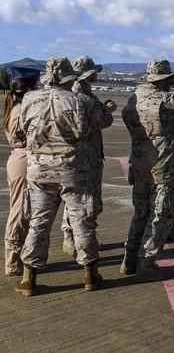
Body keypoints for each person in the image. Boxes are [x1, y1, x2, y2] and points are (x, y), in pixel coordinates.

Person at [15, 57, 113, 296]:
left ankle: (29, 278)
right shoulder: (80, 101)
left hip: (39, 170)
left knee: (38, 223)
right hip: (73, 171)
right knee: (82, 223)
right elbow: (105, 120)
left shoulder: (29, 99)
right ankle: (90, 274)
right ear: (70, 78)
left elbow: (22, 128)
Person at [120, 60, 174, 282]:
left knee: (140, 212)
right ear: (164, 79)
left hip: (139, 164)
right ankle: (146, 261)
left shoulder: (134, 98)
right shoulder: (166, 100)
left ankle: (129, 258)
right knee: (162, 214)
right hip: (163, 165)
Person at [61, 56, 116, 256]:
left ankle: (73, 237)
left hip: (88, 153)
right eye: (94, 72)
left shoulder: (81, 90)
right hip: (86, 155)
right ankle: (76, 238)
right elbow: (97, 120)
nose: (96, 75)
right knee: (84, 200)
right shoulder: (79, 93)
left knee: (78, 199)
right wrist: (106, 110)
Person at [3, 67, 39, 276]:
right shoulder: (21, 110)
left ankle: (17, 258)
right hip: (24, 159)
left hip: (19, 159)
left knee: (21, 209)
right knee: (19, 212)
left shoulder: (16, 106)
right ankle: (13, 262)